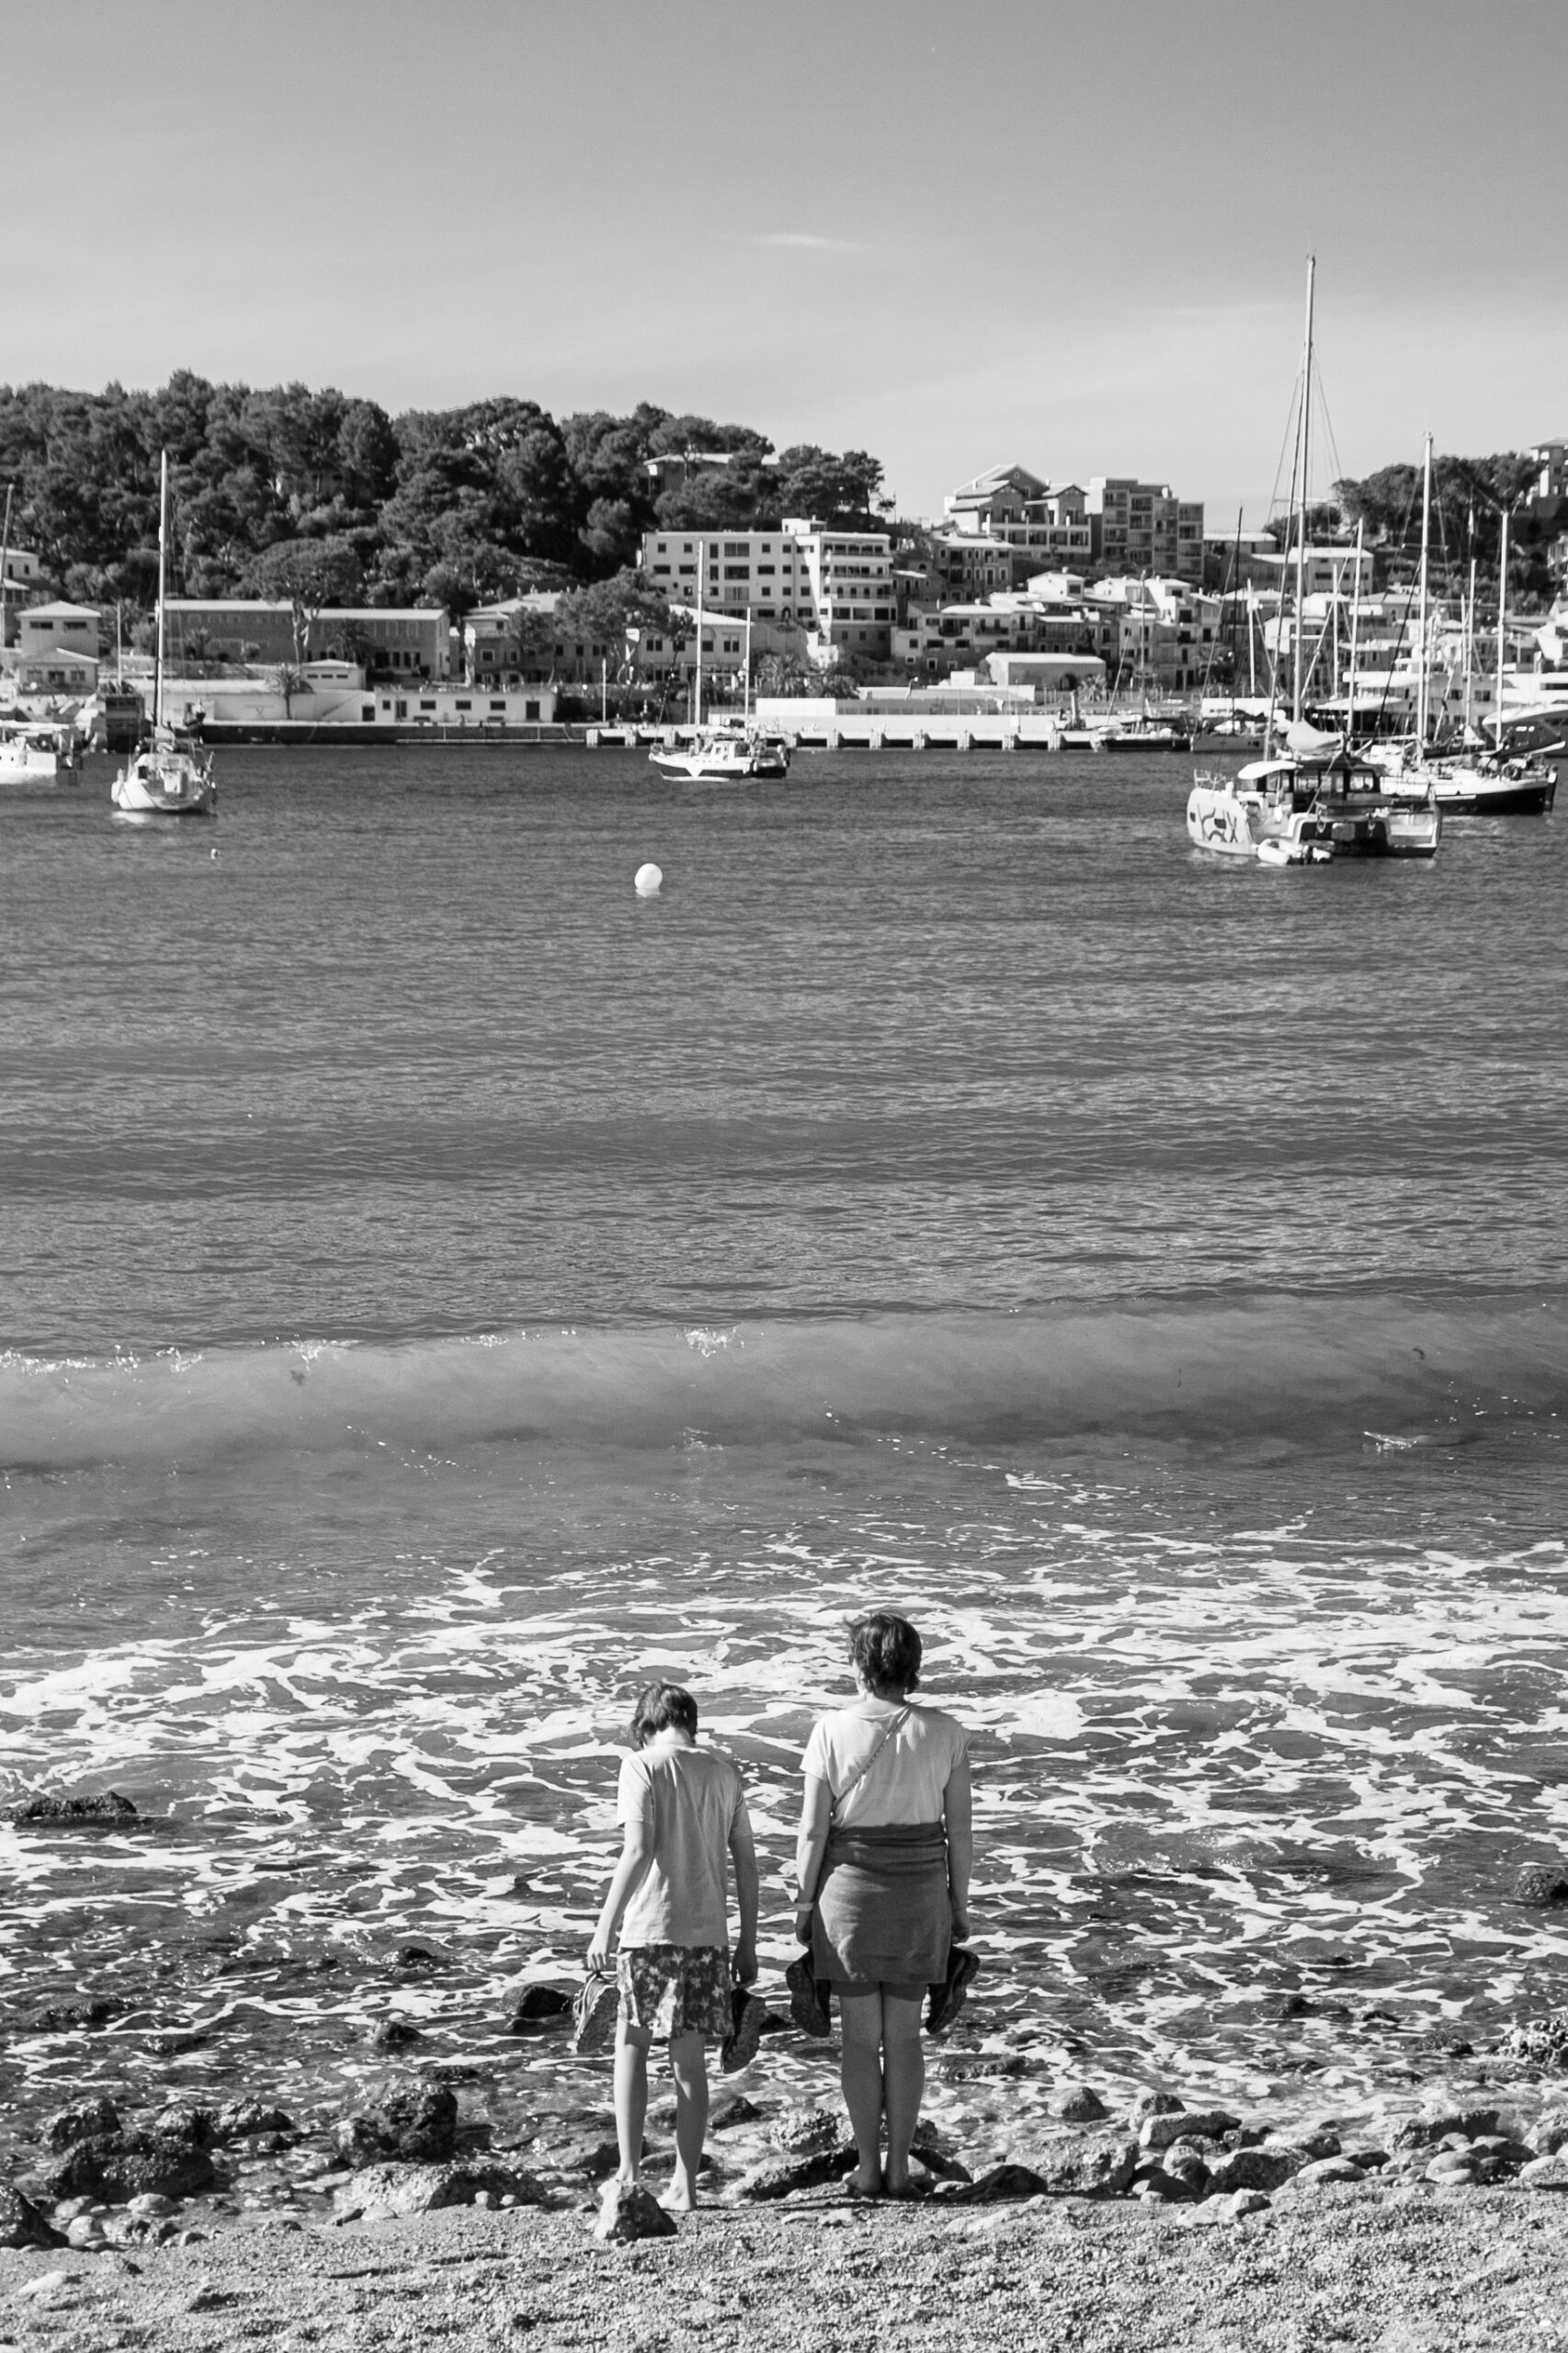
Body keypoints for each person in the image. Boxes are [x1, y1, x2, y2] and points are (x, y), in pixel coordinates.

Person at [795, 1611, 972, 2199]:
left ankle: (868, 2167)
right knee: (904, 2039)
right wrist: (959, 1906)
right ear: (913, 1666)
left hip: (847, 1896)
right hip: (921, 1893)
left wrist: (802, 1903)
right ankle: (900, 2168)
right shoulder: (945, 1731)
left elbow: (813, 1834)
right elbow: (961, 1835)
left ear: (859, 1665)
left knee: (857, 2040)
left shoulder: (829, 1731)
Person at [588, 1681, 758, 2211]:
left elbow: (638, 1849)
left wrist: (604, 1925)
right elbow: (747, 1864)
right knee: (690, 2062)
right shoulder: (725, 1772)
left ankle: (630, 2174)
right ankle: (685, 2184)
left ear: (645, 1726)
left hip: (648, 1931)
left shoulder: (641, 1766)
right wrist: (748, 1941)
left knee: (631, 2049)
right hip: (707, 1935)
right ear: (692, 1722)